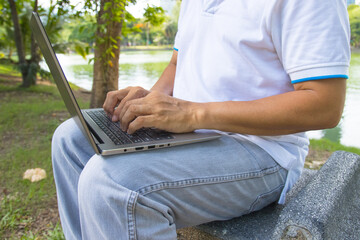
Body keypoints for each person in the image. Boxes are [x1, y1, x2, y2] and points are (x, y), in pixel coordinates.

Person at [52, 0, 350, 239]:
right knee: (71, 139)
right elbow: (176, 63)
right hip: (190, 133)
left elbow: (324, 106)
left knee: (113, 183)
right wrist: (150, 104)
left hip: (261, 150)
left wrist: (192, 113)